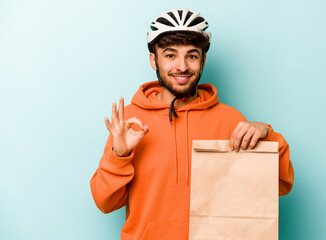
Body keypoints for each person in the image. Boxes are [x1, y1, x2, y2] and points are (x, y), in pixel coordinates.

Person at [90, 8, 294, 240]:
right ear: (153, 60)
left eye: (192, 55)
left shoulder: (229, 120)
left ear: (203, 59)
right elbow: (105, 202)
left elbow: (278, 184)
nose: (182, 66)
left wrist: (265, 133)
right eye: (170, 55)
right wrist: (119, 155)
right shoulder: (129, 121)